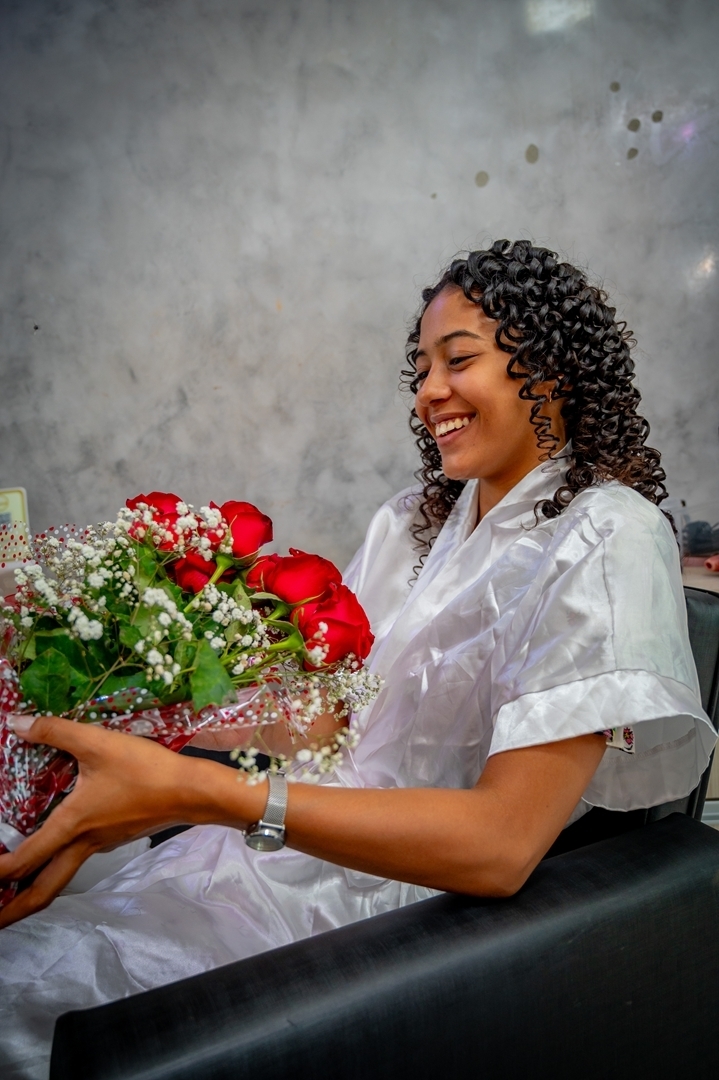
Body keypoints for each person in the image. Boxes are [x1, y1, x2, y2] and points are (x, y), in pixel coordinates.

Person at [0, 240, 714, 1080]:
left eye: (458, 360)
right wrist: (153, 726)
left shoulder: (605, 535)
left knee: (29, 1007)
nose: (428, 393)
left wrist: (208, 792)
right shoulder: (414, 521)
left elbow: (501, 843)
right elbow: (333, 718)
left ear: (549, 368)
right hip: (266, 851)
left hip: (384, 917)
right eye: (420, 367)